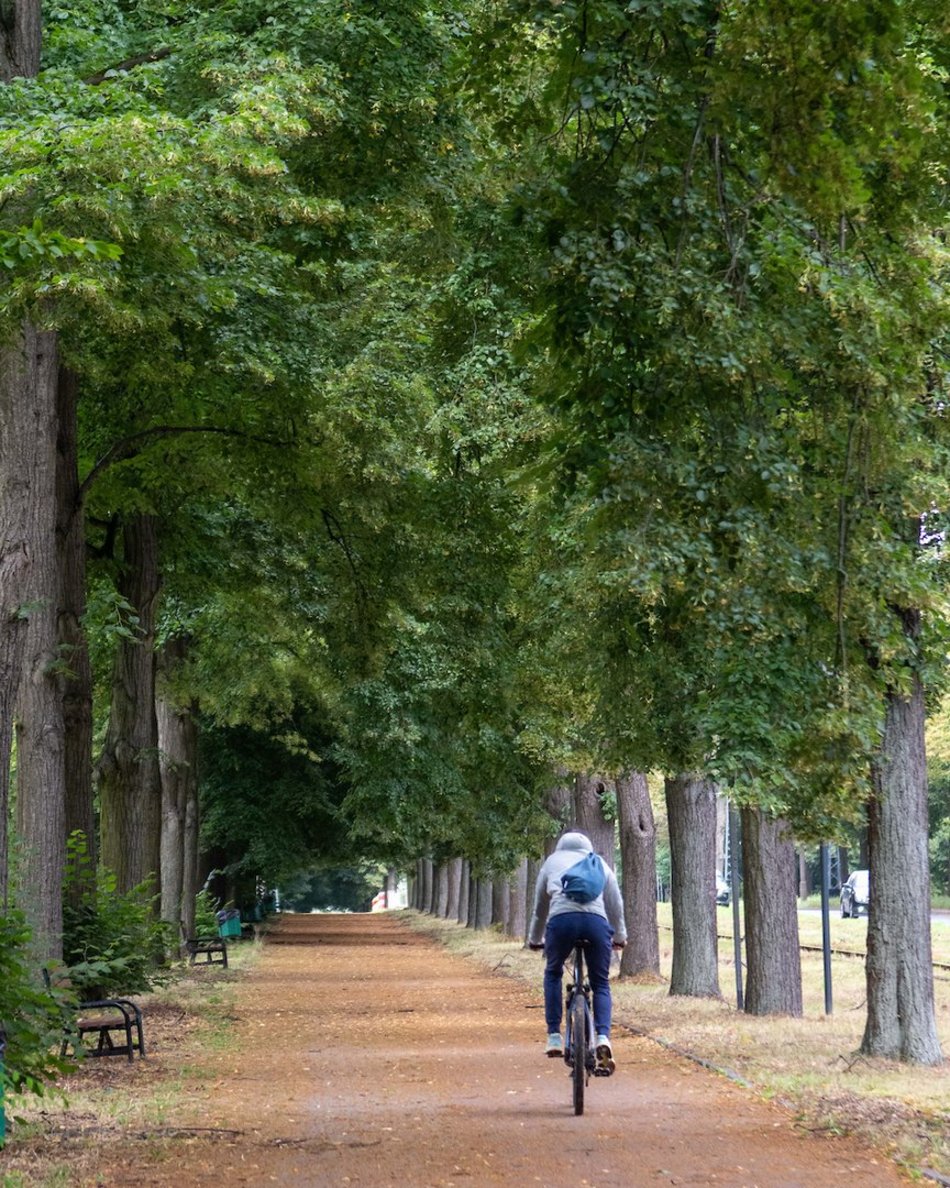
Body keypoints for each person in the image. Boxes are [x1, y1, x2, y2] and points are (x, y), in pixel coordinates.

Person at [527, 830, 626, 1072]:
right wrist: (620, 936)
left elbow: (540, 907)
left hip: (562, 922)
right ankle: (603, 1036)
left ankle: (553, 1036)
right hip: (595, 923)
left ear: (561, 847)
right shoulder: (599, 863)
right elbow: (615, 903)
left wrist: (534, 938)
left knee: (553, 972)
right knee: (601, 983)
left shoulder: (551, 862)